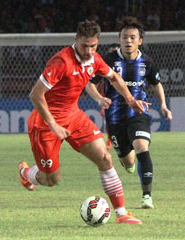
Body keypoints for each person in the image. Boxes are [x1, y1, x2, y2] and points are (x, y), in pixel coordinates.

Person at [18, 20, 149, 224]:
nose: (88, 51)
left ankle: (122, 213)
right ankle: (26, 173)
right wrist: (53, 125)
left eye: (93, 46)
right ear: (75, 40)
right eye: (84, 46)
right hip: (45, 124)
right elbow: (36, 95)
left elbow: (114, 77)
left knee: (105, 158)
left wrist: (130, 100)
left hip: (73, 117)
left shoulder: (94, 60)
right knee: (52, 179)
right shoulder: (61, 62)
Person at [86, 17, 172, 209]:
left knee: (142, 147)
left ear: (139, 41)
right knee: (128, 161)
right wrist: (98, 99)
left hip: (138, 114)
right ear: (120, 38)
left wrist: (164, 105)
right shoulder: (108, 60)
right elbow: (89, 83)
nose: (128, 41)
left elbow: (156, 84)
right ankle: (128, 161)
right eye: (124, 37)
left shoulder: (147, 63)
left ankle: (147, 196)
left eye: (132, 37)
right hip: (115, 119)